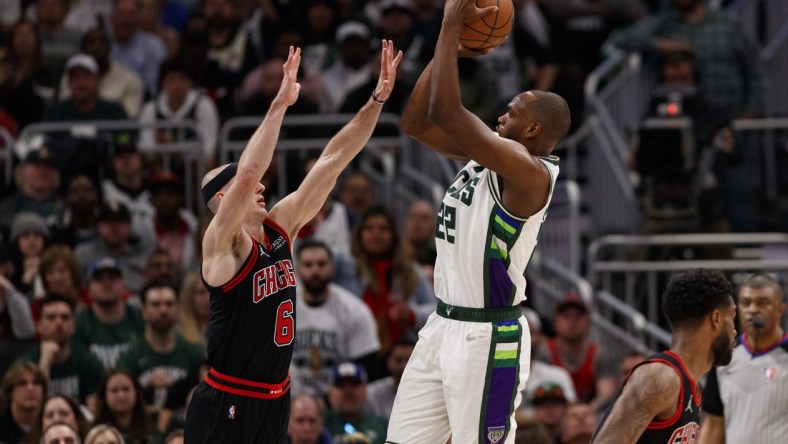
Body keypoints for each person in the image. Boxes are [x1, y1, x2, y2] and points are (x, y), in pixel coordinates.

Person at [183, 42, 402, 443]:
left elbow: (334, 160)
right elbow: (249, 171)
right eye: (242, 187)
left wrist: (377, 99)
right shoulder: (221, 242)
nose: (262, 185)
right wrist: (280, 104)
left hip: (276, 398)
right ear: (221, 200)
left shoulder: (281, 227)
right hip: (228, 398)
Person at [388, 0, 571, 439]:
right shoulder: (485, 159)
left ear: (531, 131)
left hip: (487, 337)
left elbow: (448, 112)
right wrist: (449, 51)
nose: (501, 114)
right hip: (442, 326)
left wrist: (451, 25)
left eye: (513, 111)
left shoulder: (529, 173)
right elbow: (415, 122)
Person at [592, 268, 737, 443]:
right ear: (716, 318)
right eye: (733, 318)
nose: (735, 331)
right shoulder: (660, 378)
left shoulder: (692, 388)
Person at [699, 273, 788, 444]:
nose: (753, 309)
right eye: (746, 303)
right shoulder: (724, 357)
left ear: (780, 310)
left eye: (762, 303)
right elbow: (713, 424)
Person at [291, 240, 379, 398]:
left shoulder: (354, 310)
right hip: (290, 401)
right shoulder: (283, 307)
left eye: (321, 264)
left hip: (339, 403)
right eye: (308, 265)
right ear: (297, 270)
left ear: (333, 269)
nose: (315, 270)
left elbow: (366, 367)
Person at [19, 294, 104, 408]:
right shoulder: (26, 364)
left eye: (65, 317)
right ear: (39, 326)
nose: (58, 323)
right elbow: (31, 410)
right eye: (51, 317)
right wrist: (44, 363)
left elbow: (94, 413)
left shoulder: (87, 362)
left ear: (73, 326)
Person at [324, 361, 388, 444]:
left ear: (365, 389)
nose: (348, 392)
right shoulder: (319, 425)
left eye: (354, 384)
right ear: (330, 392)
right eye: (341, 385)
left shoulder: (383, 427)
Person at [94, 369, 151, 444]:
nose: (121, 396)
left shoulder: (152, 434)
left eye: (126, 389)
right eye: (114, 390)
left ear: (136, 393)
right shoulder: (94, 434)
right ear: (104, 396)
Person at [0, 361, 47, 443]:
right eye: (22, 383)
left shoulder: (51, 422)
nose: (30, 388)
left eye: (36, 383)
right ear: (10, 392)